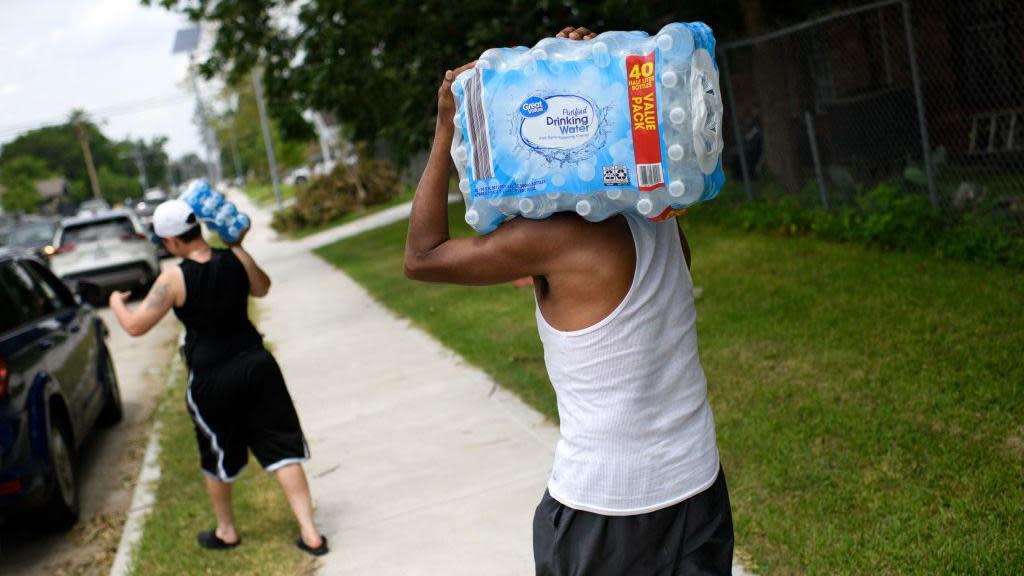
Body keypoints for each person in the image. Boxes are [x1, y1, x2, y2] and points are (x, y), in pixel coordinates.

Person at [404, 26, 733, 575]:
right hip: (697, 484)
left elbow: (422, 256)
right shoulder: (652, 211)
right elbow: (680, 263)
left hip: (609, 508)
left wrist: (444, 129)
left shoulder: (550, 239)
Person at [108, 199, 328, 557]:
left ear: (172, 242)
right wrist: (237, 245)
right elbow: (263, 288)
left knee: (217, 453)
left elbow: (134, 326)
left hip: (212, 379)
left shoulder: (174, 278)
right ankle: (311, 533)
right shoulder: (234, 257)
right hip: (257, 364)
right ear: (197, 228)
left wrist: (116, 301)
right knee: (282, 446)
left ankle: (227, 531)